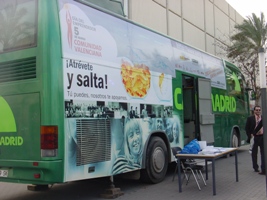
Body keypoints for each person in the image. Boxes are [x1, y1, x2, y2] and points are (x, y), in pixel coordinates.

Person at [245, 106, 265, 175]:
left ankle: (263, 168)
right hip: (255, 137)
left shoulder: (263, 118)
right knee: (254, 153)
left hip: (262, 137)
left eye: (259, 110)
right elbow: (247, 128)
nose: (258, 111)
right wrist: (251, 135)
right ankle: (255, 167)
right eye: (257, 110)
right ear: (254, 111)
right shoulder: (250, 118)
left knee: (263, 153)